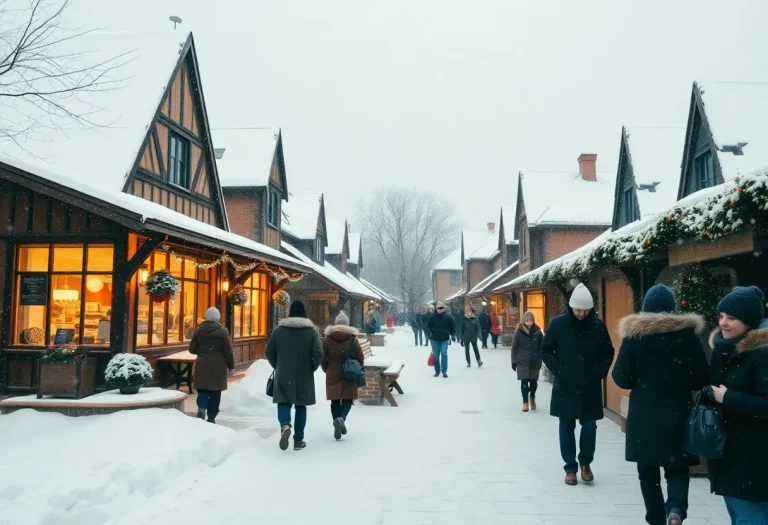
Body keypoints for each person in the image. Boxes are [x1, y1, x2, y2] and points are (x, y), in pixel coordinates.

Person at [612, 284, 710, 525]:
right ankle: (675, 509)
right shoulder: (688, 336)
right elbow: (701, 378)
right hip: (679, 411)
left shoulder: (634, 337)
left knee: (648, 472)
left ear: (646, 309)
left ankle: (655, 518)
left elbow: (621, 377)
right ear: (672, 309)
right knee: (677, 468)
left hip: (644, 415)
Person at [541, 283, 614, 486]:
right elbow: (546, 350)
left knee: (589, 426)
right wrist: (560, 371)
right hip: (566, 385)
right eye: (578, 310)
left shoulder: (598, 326)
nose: (582, 314)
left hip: (589, 385)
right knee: (566, 425)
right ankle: (570, 468)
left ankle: (586, 463)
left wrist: (599, 372)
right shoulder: (558, 324)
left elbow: (608, 352)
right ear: (571, 307)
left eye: (585, 310)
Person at [707, 286, 768, 523]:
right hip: (728, 452)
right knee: (738, 516)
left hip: (754, 456)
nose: (723, 323)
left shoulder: (761, 354)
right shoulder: (722, 349)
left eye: (731, 318)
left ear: (749, 321)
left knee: (749, 518)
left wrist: (728, 397)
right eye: (721, 316)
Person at [265, 300, 323, 451]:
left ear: (289, 313)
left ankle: (285, 425)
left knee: (283, 402)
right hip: (304, 374)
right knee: (301, 406)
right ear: (304, 314)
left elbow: (268, 351)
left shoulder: (279, 331)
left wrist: (277, 365)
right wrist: (311, 367)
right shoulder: (311, 332)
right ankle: (298, 441)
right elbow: (318, 353)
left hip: (283, 373)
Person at [321, 311, 365, 441]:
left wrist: (326, 369)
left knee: (334, 400)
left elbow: (323, 358)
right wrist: (358, 367)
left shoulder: (328, 339)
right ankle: (341, 418)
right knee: (348, 398)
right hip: (349, 373)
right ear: (347, 324)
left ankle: (336, 419)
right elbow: (360, 357)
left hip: (332, 372)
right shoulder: (352, 338)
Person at [189, 307, 234, 424]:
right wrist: (231, 365)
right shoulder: (223, 331)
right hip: (218, 366)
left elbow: (192, 349)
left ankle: (202, 408)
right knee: (215, 392)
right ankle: (212, 417)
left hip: (202, 365)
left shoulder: (198, 330)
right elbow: (228, 351)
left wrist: (203, 351)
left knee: (202, 390)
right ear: (217, 318)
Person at [511, 311, 543, 412]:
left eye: (531, 320)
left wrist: (539, 357)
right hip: (522, 361)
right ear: (524, 321)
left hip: (534, 361)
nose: (530, 322)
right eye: (527, 320)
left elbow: (542, 346)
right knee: (524, 382)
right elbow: (514, 347)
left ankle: (532, 397)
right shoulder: (519, 332)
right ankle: (525, 402)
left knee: (534, 382)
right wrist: (514, 361)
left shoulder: (538, 332)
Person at [425, 301, 455, 378]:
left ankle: (444, 371)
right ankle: (437, 371)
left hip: (444, 339)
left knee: (444, 354)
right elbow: (427, 327)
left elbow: (453, 326)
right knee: (436, 355)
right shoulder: (432, 316)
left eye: (441, 308)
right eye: (438, 308)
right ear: (436, 309)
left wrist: (453, 334)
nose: (440, 310)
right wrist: (430, 335)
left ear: (444, 309)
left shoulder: (448, 317)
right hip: (434, 339)